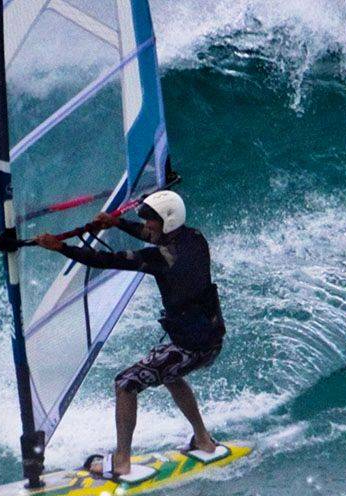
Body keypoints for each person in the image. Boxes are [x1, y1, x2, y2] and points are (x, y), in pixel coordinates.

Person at [34, 190, 225, 478]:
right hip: (209, 337)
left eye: (152, 222)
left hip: (192, 347)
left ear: (168, 222)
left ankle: (122, 461)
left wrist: (61, 248)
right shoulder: (195, 238)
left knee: (126, 384)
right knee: (170, 373)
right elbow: (155, 238)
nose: (147, 227)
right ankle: (203, 440)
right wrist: (117, 223)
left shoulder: (162, 259)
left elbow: (105, 260)